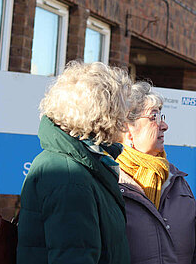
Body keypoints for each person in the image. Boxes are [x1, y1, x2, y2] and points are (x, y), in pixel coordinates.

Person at [17, 61, 132, 264]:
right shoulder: (69, 176)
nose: (125, 119)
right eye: (122, 109)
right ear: (104, 114)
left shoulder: (78, 164)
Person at [115, 81, 196, 264]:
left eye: (161, 116)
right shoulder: (110, 183)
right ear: (127, 128)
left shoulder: (177, 181)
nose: (164, 125)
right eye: (153, 117)